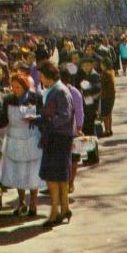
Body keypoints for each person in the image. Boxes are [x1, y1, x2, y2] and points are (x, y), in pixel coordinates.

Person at [0, 73, 46, 216]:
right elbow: (4, 119)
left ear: (24, 86)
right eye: (13, 87)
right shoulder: (8, 100)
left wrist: (36, 120)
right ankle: (21, 202)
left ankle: (33, 203)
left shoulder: (36, 98)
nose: (15, 90)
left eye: (18, 87)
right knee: (18, 171)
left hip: (32, 137)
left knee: (33, 171)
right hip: (14, 138)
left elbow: (44, 116)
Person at [30, 62, 75, 226]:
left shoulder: (59, 91)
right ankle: (64, 208)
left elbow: (65, 115)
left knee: (52, 175)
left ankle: (56, 212)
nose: (40, 79)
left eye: (42, 76)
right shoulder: (56, 90)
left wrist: (47, 122)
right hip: (59, 136)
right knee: (59, 175)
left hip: (59, 137)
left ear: (49, 76)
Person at [60, 66, 84, 193]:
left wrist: (79, 127)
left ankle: (71, 182)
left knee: (74, 158)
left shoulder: (74, 92)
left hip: (73, 129)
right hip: (59, 130)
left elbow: (80, 112)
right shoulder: (53, 91)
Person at [77, 56, 102, 136]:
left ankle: (92, 146)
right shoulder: (86, 74)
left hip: (92, 104)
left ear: (92, 65)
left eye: (88, 65)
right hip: (87, 104)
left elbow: (97, 88)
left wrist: (84, 92)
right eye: (84, 65)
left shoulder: (94, 75)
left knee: (90, 126)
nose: (86, 67)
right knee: (88, 126)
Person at [99, 58, 116, 137]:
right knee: (109, 114)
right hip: (111, 95)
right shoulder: (112, 72)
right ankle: (110, 129)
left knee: (105, 114)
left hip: (106, 95)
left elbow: (101, 84)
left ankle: (106, 130)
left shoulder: (105, 73)